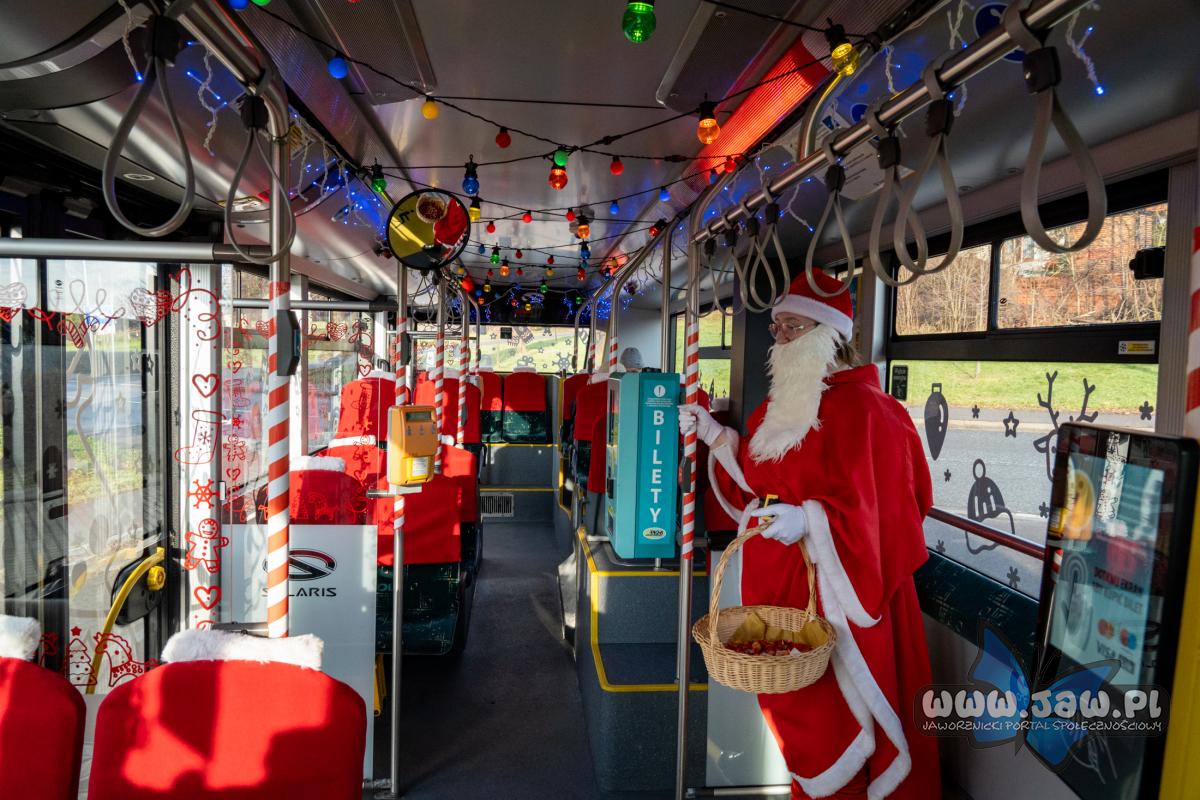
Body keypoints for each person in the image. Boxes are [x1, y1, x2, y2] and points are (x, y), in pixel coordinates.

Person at [679, 272, 938, 800]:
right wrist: (717, 436)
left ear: (829, 335)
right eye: (776, 327)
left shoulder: (872, 411)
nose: (779, 339)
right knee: (796, 710)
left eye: (792, 327)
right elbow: (765, 483)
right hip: (781, 586)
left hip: (840, 591)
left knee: (833, 714)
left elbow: (892, 512)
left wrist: (812, 521)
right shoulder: (787, 405)